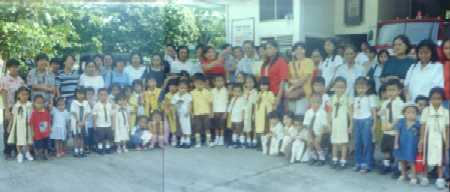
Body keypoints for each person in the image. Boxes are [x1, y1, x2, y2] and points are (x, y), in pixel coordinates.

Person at [419, 88, 449, 188]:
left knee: (440, 159)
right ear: (430, 99)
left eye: (439, 98)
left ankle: (440, 179)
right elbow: (423, 125)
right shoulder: (426, 111)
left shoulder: (445, 112)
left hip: (441, 138)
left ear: (443, 99)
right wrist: (422, 139)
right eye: (433, 98)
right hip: (429, 137)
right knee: (426, 158)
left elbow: (447, 127)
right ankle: (425, 177)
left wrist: (447, 141)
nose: (436, 101)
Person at [378, 79, 405, 174]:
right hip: (386, 131)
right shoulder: (385, 103)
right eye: (388, 90)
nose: (390, 92)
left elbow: (400, 118)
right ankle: (386, 164)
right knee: (386, 149)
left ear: (399, 91)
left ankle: (397, 167)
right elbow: (382, 115)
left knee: (396, 150)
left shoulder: (401, 104)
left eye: (393, 90)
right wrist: (384, 124)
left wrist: (392, 126)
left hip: (395, 132)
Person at [0, 59, 25, 160]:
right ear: (9, 68)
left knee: (18, 129)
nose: (15, 68)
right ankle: (7, 151)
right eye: (12, 66)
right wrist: (6, 110)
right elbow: (4, 95)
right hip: (9, 107)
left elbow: (24, 93)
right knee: (8, 130)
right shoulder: (4, 79)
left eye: (16, 66)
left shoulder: (20, 80)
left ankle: (16, 149)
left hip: (19, 107)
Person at [352, 77, 377, 173]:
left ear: (367, 88)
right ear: (355, 88)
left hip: (366, 121)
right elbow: (353, 111)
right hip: (357, 121)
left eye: (363, 87)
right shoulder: (355, 98)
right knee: (357, 143)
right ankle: (359, 162)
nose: (361, 89)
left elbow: (373, 112)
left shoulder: (370, 97)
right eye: (358, 87)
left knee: (367, 143)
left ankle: (367, 163)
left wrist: (374, 124)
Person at [394, 104, 420, 185]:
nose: (410, 114)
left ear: (417, 114)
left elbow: (420, 136)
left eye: (413, 112)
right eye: (408, 112)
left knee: (412, 161)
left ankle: (414, 177)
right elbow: (397, 133)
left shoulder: (418, 124)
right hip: (402, 144)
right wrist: (396, 143)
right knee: (402, 160)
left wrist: (420, 145)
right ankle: (403, 174)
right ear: (404, 113)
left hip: (412, 146)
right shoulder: (401, 122)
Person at [329, 77, 351, 169]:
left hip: (343, 124)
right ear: (334, 87)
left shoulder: (347, 99)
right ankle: (334, 160)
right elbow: (329, 112)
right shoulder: (332, 98)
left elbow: (350, 113)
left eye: (342, 87)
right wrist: (329, 124)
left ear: (346, 88)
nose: (339, 89)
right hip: (335, 124)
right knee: (334, 143)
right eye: (337, 87)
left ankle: (343, 161)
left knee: (343, 143)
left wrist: (350, 126)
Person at [7, 87, 33, 163]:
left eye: (26, 94)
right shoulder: (16, 106)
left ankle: (27, 153)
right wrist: (9, 125)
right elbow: (12, 116)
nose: (25, 96)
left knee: (29, 139)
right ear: (18, 95)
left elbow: (33, 115)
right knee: (19, 140)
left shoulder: (30, 104)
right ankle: (20, 154)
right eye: (22, 94)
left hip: (28, 126)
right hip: (18, 126)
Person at [288, 43, 314, 116]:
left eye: (301, 49)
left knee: (300, 116)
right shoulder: (290, 64)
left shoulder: (309, 61)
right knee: (291, 115)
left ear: (304, 51)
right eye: (296, 49)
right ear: (294, 52)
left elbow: (305, 79)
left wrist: (292, 86)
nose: (299, 51)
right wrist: (292, 81)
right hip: (293, 94)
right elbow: (288, 78)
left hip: (304, 94)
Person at [304, 94, 328, 166]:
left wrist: (319, 135)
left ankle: (322, 158)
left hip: (320, 132)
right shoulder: (308, 112)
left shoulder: (323, 113)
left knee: (316, 143)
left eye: (318, 102)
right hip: (310, 131)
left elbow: (324, 126)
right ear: (310, 103)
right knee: (309, 143)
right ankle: (314, 157)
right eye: (313, 102)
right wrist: (309, 135)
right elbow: (306, 124)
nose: (315, 104)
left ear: (321, 103)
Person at [191, 75, 213, 147]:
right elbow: (191, 103)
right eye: (197, 83)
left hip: (206, 113)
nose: (199, 85)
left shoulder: (207, 92)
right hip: (196, 114)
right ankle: (198, 142)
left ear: (204, 84)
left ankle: (208, 141)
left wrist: (211, 112)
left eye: (201, 84)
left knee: (207, 128)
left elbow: (210, 103)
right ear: (194, 84)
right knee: (197, 128)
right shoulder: (192, 93)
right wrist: (191, 112)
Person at [254, 77, 276, 148]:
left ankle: (264, 145)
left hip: (266, 114)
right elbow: (256, 103)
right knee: (258, 129)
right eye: (262, 85)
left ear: (268, 85)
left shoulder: (270, 93)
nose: (263, 86)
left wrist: (266, 96)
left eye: (265, 85)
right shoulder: (258, 93)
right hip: (258, 115)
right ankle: (258, 143)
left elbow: (273, 101)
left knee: (265, 129)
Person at [29, 95, 51, 160]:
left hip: (45, 133)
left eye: (41, 103)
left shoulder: (46, 112)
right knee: (38, 145)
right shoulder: (33, 113)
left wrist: (50, 128)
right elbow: (31, 123)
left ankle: (46, 154)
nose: (40, 105)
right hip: (37, 134)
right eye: (38, 103)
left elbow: (49, 121)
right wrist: (32, 132)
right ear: (34, 104)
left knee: (46, 145)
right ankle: (37, 153)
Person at [172, 80, 192, 148]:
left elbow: (189, 105)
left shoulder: (188, 95)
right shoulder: (175, 96)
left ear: (187, 89)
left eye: (185, 88)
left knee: (187, 127)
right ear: (178, 88)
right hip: (179, 115)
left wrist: (188, 112)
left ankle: (188, 141)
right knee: (181, 128)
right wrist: (174, 114)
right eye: (181, 88)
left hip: (186, 115)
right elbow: (174, 106)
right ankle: (182, 141)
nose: (183, 90)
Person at [70, 88, 90, 158]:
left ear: (84, 95)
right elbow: (73, 112)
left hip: (83, 122)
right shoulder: (73, 102)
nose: (80, 95)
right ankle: (76, 150)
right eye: (78, 93)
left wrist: (83, 121)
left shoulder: (86, 103)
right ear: (76, 94)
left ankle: (81, 150)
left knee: (82, 136)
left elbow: (87, 112)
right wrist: (78, 121)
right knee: (76, 136)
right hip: (76, 122)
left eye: (82, 94)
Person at [92, 88, 114, 154]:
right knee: (100, 139)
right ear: (98, 96)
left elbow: (112, 115)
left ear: (107, 96)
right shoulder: (96, 105)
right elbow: (94, 115)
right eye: (101, 95)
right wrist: (94, 124)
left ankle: (107, 148)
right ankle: (100, 149)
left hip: (108, 125)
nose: (103, 97)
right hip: (100, 125)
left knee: (108, 138)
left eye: (105, 95)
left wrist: (113, 124)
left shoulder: (109, 105)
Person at [211, 76, 228, 146]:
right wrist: (211, 111)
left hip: (223, 111)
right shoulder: (212, 91)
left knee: (222, 126)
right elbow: (211, 102)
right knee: (216, 126)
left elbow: (227, 102)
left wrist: (226, 112)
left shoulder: (226, 91)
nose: (219, 82)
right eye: (217, 81)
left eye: (221, 81)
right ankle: (217, 138)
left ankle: (221, 138)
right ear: (214, 82)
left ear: (224, 82)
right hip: (215, 111)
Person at [242, 75, 258, 147]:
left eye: (251, 82)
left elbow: (255, 103)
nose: (249, 84)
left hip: (253, 110)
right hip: (246, 111)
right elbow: (243, 102)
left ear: (254, 83)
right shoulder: (244, 92)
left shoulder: (255, 92)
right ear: (245, 83)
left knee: (254, 125)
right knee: (247, 124)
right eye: (247, 82)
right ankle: (248, 139)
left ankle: (254, 139)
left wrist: (254, 113)